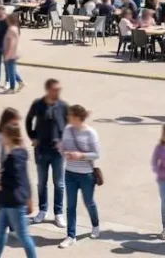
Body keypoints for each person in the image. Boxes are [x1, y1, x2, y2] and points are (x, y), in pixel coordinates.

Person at [0, 122, 38, 258]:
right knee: (0, 235)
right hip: (7, 202)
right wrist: (29, 198)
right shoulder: (21, 153)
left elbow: (15, 180)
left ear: (9, 137)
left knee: (23, 236)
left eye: (4, 136)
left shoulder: (12, 158)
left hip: (14, 203)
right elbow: (24, 179)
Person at [25, 78, 68, 228]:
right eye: (55, 90)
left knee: (59, 184)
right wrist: (32, 137)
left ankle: (58, 213)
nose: (58, 92)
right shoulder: (38, 104)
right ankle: (43, 210)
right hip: (41, 151)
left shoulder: (63, 106)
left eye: (59, 90)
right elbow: (28, 120)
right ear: (48, 90)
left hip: (57, 152)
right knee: (42, 183)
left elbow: (69, 126)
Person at [59, 104, 102, 247]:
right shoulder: (67, 130)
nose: (67, 117)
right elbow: (63, 148)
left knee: (89, 202)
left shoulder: (90, 133)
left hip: (86, 175)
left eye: (70, 115)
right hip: (70, 173)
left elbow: (96, 154)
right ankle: (71, 236)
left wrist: (81, 155)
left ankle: (95, 225)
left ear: (77, 117)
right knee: (70, 206)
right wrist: (64, 151)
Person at [0, 108, 21, 242]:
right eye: (15, 121)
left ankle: (12, 229)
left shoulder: (13, 131)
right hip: (0, 176)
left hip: (11, 174)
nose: (17, 124)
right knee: (0, 204)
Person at [3, 22, 23, 93]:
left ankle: (12, 88)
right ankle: (20, 82)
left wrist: (7, 55)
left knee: (11, 71)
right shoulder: (14, 29)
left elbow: (10, 44)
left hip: (11, 54)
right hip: (12, 53)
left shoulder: (11, 30)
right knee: (12, 70)